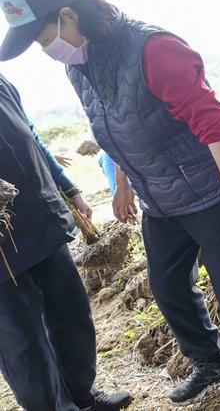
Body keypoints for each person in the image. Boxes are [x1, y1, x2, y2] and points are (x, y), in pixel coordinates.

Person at [0, 0, 220, 405]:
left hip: (212, 190)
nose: (47, 52)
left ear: (67, 16)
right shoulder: (81, 65)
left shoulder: (152, 49)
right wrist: (123, 184)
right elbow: (112, 128)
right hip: (160, 197)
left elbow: (216, 126)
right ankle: (212, 362)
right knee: (168, 286)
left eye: (43, 40)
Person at [0, 73, 133, 411]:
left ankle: (82, 394)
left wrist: (69, 188)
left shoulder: (2, 83)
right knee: (22, 338)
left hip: (40, 213)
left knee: (71, 310)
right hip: (2, 244)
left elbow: (30, 136)